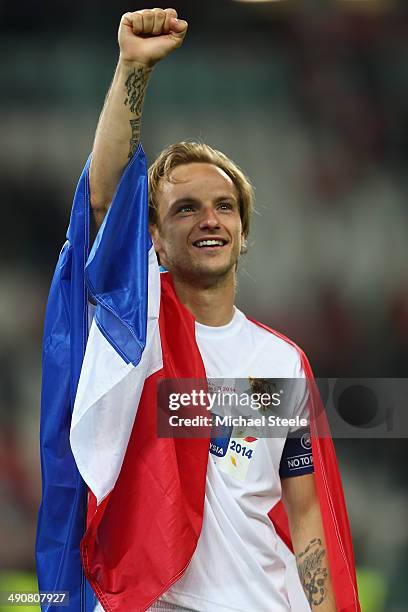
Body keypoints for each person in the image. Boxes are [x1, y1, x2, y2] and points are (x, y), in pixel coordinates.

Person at [37, 8, 359, 612]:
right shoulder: (135, 331)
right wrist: (133, 67)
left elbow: (306, 507)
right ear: (152, 238)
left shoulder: (279, 360)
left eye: (224, 208)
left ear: (242, 233)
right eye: (185, 208)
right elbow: (103, 204)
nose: (209, 219)